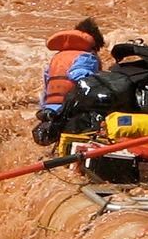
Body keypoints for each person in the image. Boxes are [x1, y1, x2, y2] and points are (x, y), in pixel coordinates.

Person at [34, 17, 105, 145]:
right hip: (70, 111)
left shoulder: (57, 58)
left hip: (50, 111)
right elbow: (79, 77)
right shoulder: (87, 57)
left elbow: (46, 89)